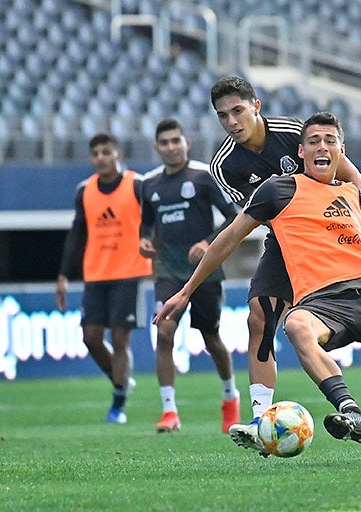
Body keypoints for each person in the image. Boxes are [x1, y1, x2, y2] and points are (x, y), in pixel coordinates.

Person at [156, 112, 361, 460]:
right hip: (322, 302)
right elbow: (230, 237)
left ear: (340, 152)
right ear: (300, 152)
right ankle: (351, 411)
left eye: (329, 141)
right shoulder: (277, 190)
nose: (321, 147)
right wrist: (186, 290)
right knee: (295, 324)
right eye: (313, 141)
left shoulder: (352, 193)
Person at [140, 118, 241, 433]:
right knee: (165, 332)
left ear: (187, 143)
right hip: (168, 272)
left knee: (211, 338)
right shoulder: (149, 184)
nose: (171, 147)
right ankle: (169, 411)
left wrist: (207, 243)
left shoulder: (203, 177)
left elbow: (233, 218)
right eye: (165, 143)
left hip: (204, 273)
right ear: (157, 148)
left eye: (175, 141)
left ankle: (230, 397)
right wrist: (144, 240)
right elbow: (147, 223)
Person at [55, 132, 152, 424]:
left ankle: (118, 405)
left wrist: (151, 245)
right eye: (95, 153)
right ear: (90, 158)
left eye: (106, 152)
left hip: (129, 272)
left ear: (118, 155)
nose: (101, 158)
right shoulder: (84, 191)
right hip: (96, 274)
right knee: (90, 337)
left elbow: (153, 221)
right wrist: (62, 275)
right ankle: (120, 380)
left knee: (120, 338)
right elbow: (76, 234)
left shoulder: (136, 185)